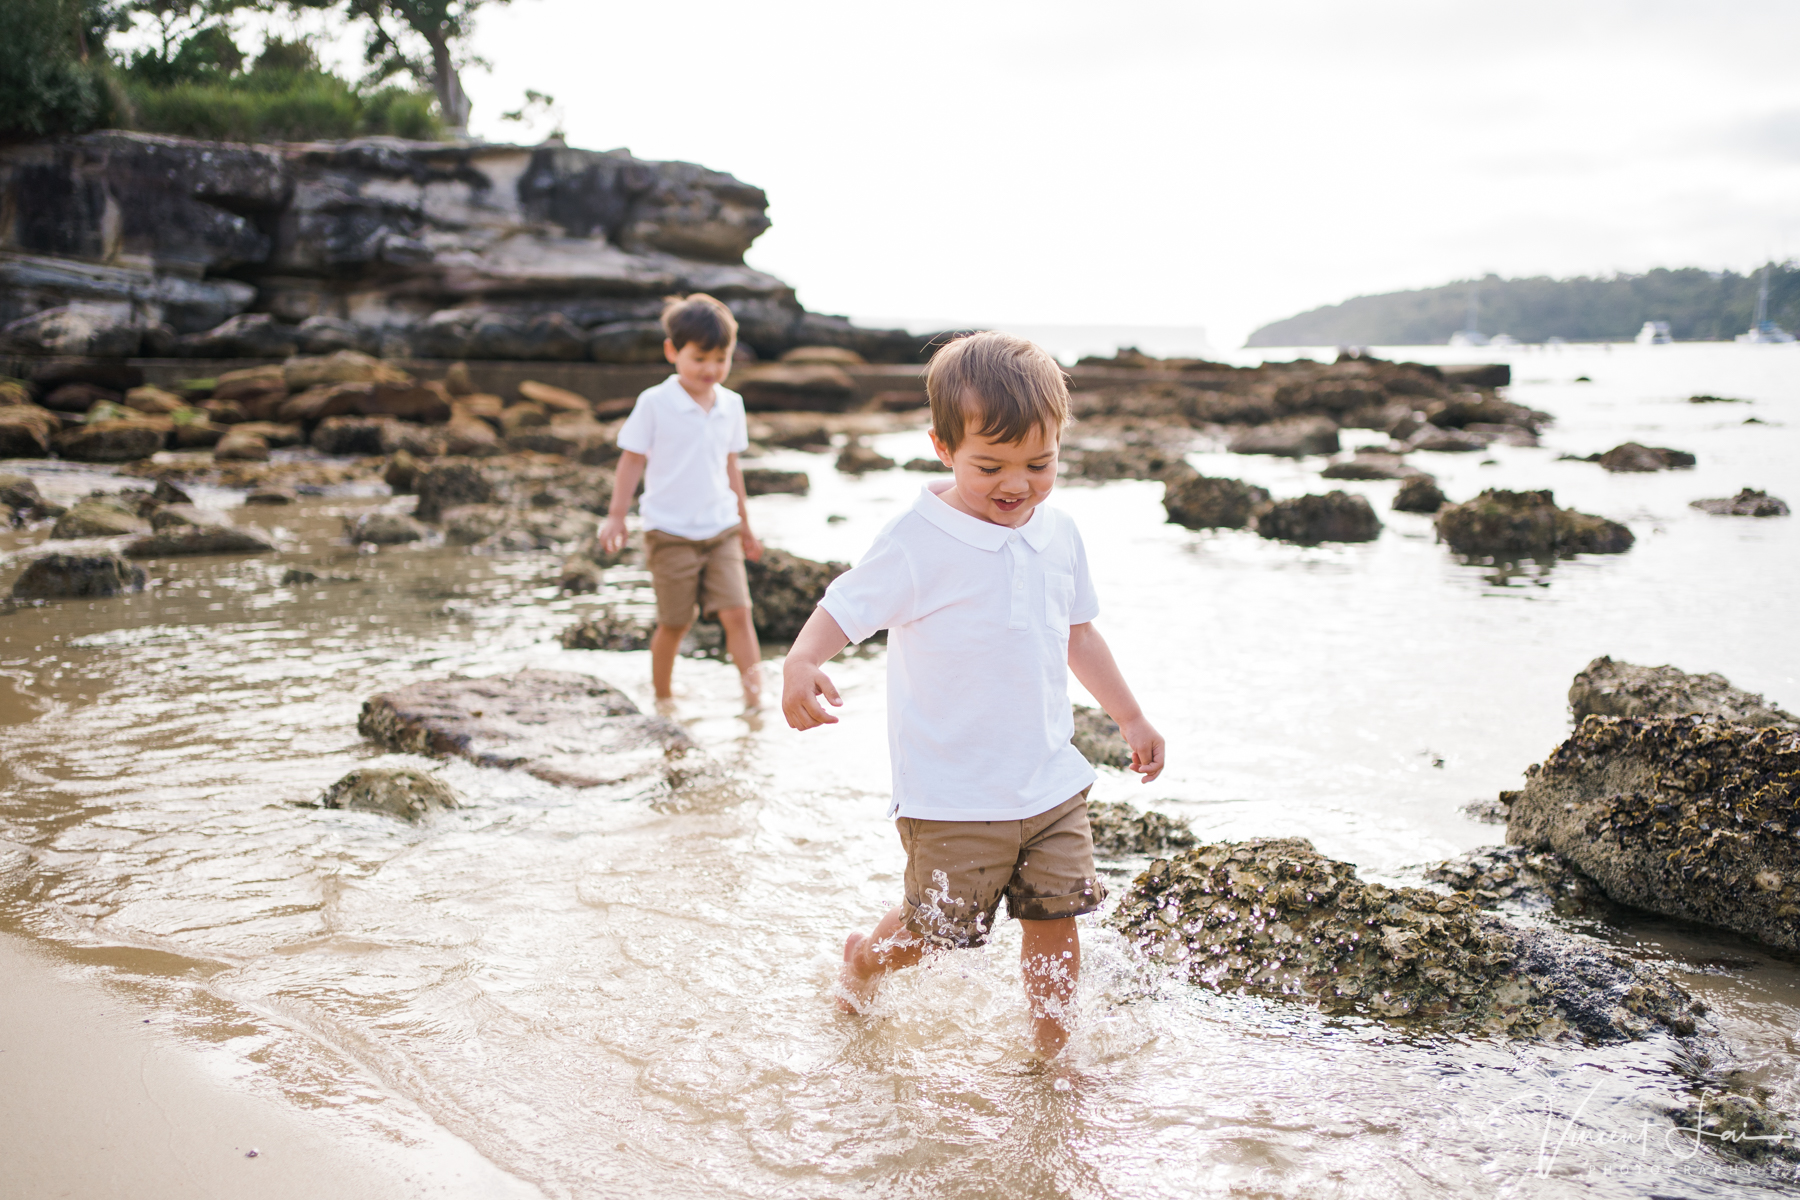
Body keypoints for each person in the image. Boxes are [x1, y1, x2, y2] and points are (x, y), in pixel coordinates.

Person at [780, 330, 1165, 1058]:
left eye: (1039, 463)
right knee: (935, 935)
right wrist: (801, 660)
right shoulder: (917, 541)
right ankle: (864, 958)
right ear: (942, 447)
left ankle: (1052, 1056)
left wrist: (1132, 717)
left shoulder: (1061, 535)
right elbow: (845, 607)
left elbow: (1078, 635)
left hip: (1050, 783)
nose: (1016, 484)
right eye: (989, 465)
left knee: (1057, 921)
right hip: (952, 794)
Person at [599, 294, 764, 708]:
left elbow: (731, 467)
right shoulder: (655, 403)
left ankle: (756, 700)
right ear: (673, 351)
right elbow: (631, 460)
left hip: (721, 528)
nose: (711, 369)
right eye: (700, 358)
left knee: (738, 614)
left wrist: (745, 525)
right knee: (675, 623)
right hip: (668, 531)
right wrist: (616, 516)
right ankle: (663, 701)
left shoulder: (732, 405)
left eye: (721, 358)